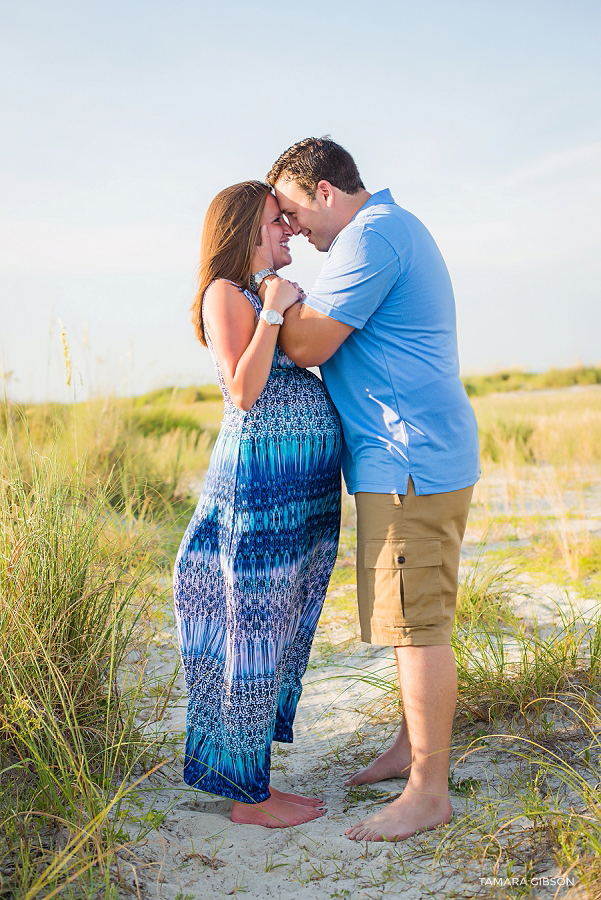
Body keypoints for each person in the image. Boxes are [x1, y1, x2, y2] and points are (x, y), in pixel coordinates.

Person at [263, 137, 480, 842]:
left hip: (409, 458)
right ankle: (408, 750)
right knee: (404, 619)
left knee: (416, 628)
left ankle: (428, 792)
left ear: (325, 190)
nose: (291, 228)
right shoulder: (382, 230)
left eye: (292, 211)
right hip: (405, 457)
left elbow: (306, 345)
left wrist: (274, 300)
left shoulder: (371, 236)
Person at [173, 180, 341, 828]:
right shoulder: (226, 294)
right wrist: (272, 308)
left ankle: (249, 780)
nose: (289, 230)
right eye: (277, 221)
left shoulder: (261, 294)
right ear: (244, 229)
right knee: (252, 636)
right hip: (257, 494)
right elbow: (243, 390)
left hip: (293, 500)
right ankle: (251, 800)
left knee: (274, 636)